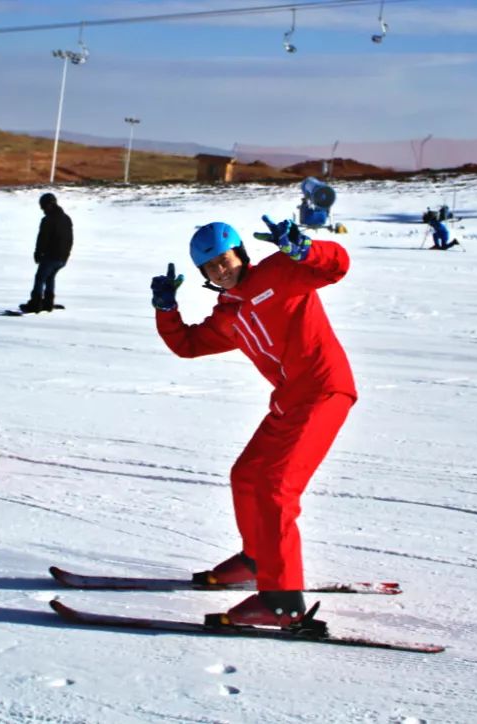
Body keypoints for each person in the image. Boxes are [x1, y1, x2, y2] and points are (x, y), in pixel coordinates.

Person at [150, 216, 357, 629]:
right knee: (246, 475)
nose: (221, 271)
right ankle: (256, 558)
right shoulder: (229, 314)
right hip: (288, 402)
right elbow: (188, 345)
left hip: (324, 392)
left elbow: (336, 267)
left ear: (240, 253)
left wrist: (305, 248)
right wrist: (166, 310)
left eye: (225, 261)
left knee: (277, 488)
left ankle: (282, 602)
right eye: (211, 268)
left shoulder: (281, 272)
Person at [20, 192, 73, 313]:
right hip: (63, 257)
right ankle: (48, 303)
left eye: (43, 206)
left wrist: (38, 253)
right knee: (50, 277)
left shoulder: (48, 220)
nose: (42, 209)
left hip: (52, 256)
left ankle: (35, 303)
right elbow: (70, 239)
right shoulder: (66, 218)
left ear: (48, 205)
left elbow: (43, 239)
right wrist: (66, 255)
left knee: (40, 278)